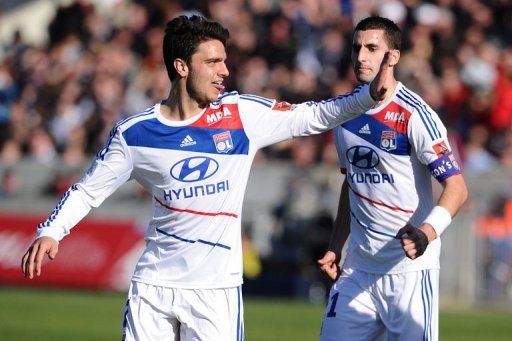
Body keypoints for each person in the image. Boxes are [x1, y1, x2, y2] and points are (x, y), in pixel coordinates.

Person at [21, 15, 392, 340]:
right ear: (182, 66)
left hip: (216, 291)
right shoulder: (136, 134)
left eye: (224, 61)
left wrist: (366, 98)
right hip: (153, 286)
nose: (224, 71)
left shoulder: (241, 115)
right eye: (213, 62)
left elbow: (312, 115)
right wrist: (52, 230)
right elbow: (88, 190)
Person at [317, 16, 468, 341]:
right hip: (357, 270)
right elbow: (351, 183)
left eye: (372, 48)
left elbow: (457, 188)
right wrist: (335, 246)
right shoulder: (345, 113)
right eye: (357, 47)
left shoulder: (415, 114)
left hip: (409, 273)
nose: (361, 57)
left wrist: (426, 233)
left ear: (393, 56)